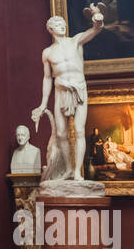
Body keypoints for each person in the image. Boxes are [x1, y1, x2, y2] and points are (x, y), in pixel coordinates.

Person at [32, 10, 105, 181]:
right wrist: (43, 104)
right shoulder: (48, 52)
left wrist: (98, 19)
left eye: (63, 24)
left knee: (79, 131)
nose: (62, 26)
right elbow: (47, 78)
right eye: (58, 24)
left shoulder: (75, 41)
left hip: (78, 89)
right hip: (61, 91)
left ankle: (78, 172)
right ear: (50, 29)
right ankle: (69, 169)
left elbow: (95, 30)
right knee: (61, 134)